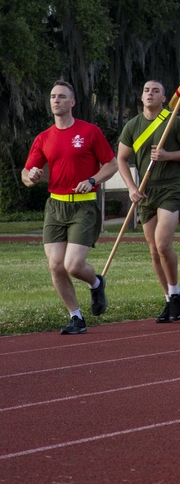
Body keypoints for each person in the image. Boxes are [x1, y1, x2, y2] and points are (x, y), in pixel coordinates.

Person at [22, 81, 118, 335]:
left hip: (83, 207)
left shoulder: (89, 132)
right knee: (55, 265)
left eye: (62, 97)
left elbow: (111, 164)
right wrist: (30, 176)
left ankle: (96, 283)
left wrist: (92, 180)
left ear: (72, 102)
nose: (56, 101)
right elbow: (27, 172)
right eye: (53, 96)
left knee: (73, 265)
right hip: (55, 206)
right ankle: (76, 317)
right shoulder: (43, 137)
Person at [117, 80, 180, 323]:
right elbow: (121, 159)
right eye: (146, 90)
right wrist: (131, 187)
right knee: (153, 249)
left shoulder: (174, 121)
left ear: (164, 98)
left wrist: (168, 156)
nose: (150, 94)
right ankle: (169, 299)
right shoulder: (132, 125)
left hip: (170, 188)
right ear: (141, 97)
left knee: (163, 244)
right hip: (145, 191)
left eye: (155, 91)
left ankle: (175, 293)